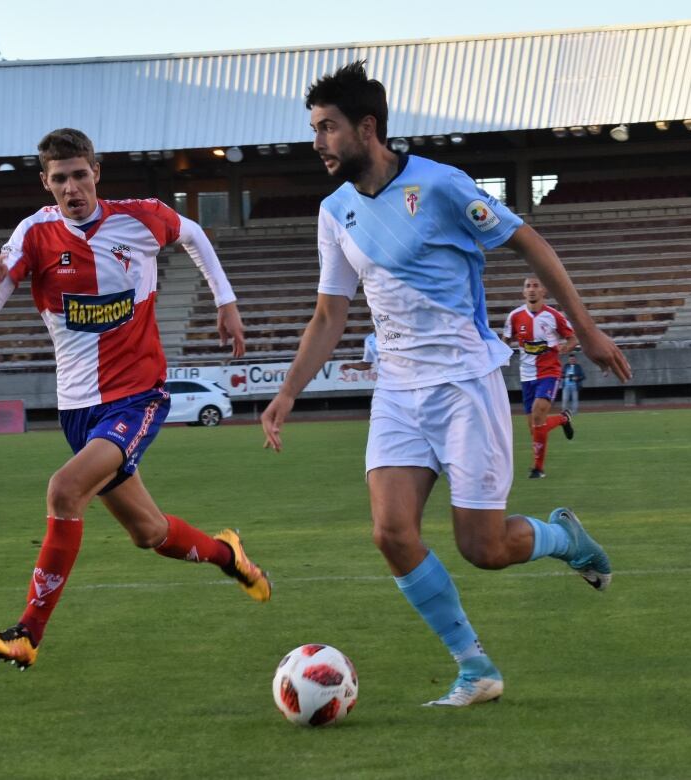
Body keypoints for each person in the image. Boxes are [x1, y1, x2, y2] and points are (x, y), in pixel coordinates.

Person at [260, 62, 632, 707]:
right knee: (391, 533)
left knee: (482, 549)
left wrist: (588, 331)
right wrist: (289, 391)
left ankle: (564, 537)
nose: (317, 141)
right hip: (399, 390)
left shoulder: (440, 185)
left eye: (328, 128)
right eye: (314, 128)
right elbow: (330, 313)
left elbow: (530, 244)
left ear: (367, 128)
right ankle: (475, 668)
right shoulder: (335, 210)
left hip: (466, 383)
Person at [0, 127, 270, 671]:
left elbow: (194, 234)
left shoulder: (140, 217)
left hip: (137, 397)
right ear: (46, 183)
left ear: (96, 173)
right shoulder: (34, 235)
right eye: (59, 179)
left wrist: (225, 301)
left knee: (64, 490)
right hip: (78, 410)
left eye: (80, 175)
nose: (72, 187)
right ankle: (230, 556)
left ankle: (27, 635)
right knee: (149, 534)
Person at [503, 277, 578, 479]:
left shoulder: (554, 316)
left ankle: (538, 469)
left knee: (537, 417)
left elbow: (572, 337)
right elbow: (505, 340)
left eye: (536, 285)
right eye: (528, 286)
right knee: (536, 428)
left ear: (544, 291)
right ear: (523, 292)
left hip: (549, 373)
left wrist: (565, 347)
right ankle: (563, 419)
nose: (532, 290)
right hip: (527, 376)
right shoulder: (515, 316)